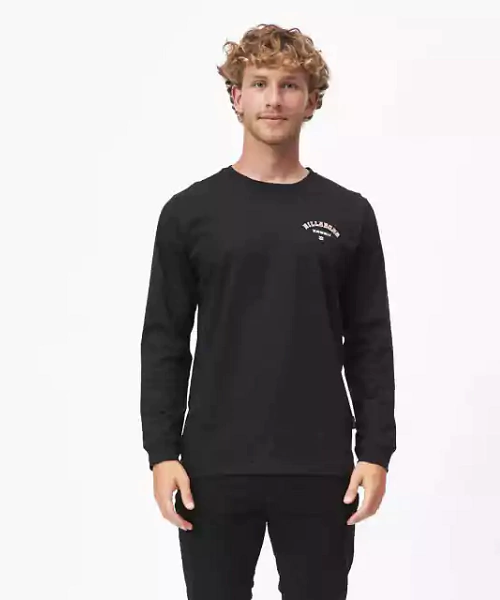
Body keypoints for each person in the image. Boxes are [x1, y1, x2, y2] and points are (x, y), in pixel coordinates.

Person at [140, 23, 396, 600]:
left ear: (311, 100)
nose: (273, 99)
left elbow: (370, 341)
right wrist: (162, 452)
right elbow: (164, 340)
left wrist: (376, 450)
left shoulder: (348, 214)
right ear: (236, 96)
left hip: (320, 466)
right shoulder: (189, 213)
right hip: (212, 465)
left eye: (289, 85)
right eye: (259, 84)